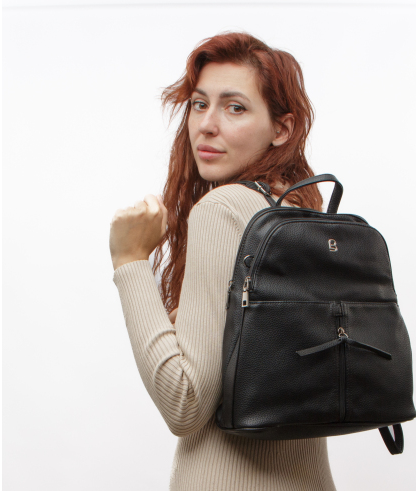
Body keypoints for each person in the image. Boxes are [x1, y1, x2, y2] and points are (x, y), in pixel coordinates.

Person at [108, 32, 335, 490]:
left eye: (235, 107)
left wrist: (129, 258)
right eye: (199, 104)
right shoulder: (300, 214)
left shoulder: (222, 209)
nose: (207, 125)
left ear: (282, 128)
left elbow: (185, 404)